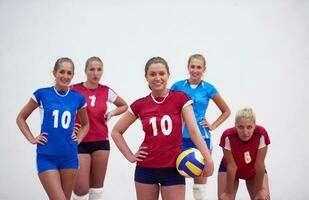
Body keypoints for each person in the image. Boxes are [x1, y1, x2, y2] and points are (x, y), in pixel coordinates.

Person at [111, 56, 214, 200]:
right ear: (146, 77)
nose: (157, 78)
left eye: (161, 73)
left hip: (173, 168)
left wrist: (208, 159)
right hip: (146, 168)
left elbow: (194, 131)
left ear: (168, 75)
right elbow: (116, 132)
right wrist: (130, 156)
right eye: (152, 74)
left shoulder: (180, 98)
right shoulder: (140, 104)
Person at [16, 57, 89, 200]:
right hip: (47, 156)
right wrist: (32, 138)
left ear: (73, 75)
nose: (65, 76)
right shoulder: (42, 94)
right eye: (62, 72)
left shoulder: (78, 98)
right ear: (54, 73)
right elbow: (21, 118)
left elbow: (86, 124)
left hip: (69, 156)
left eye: (69, 73)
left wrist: (78, 138)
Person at [171, 53, 230, 200]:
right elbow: (167, 105)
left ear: (204, 69)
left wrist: (213, 126)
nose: (195, 70)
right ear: (188, 67)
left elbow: (226, 111)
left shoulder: (208, 88)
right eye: (192, 66)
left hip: (202, 138)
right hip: (180, 138)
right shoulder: (178, 86)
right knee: (178, 177)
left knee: (200, 179)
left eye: (199, 67)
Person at [71, 56, 128, 200]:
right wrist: (69, 128)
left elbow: (124, 105)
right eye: (92, 69)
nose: (95, 73)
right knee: (80, 189)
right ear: (85, 71)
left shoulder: (105, 91)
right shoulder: (74, 90)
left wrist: (112, 113)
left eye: (99, 70)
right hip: (80, 142)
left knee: (96, 189)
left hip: (101, 142)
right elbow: (63, 107)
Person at [217, 107, 271, 200]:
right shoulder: (228, 136)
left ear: (254, 125)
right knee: (225, 198)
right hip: (229, 169)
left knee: (262, 197)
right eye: (241, 127)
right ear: (235, 126)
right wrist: (228, 193)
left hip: (253, 170)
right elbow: (232, 166)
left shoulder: (261, 133)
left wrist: (259, 191)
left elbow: (259, 164)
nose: (245, 132)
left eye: (249, 127)